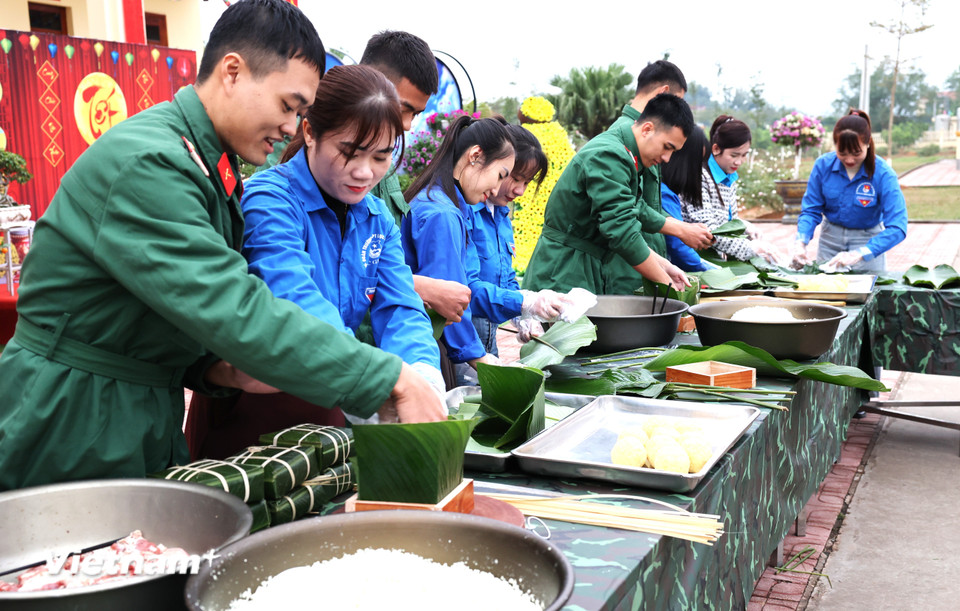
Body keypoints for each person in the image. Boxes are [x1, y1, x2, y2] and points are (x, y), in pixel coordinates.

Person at [0, 0, 444, 491]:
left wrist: (219, 369)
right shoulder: (152, 162)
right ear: (233, 72)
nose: (292, 128)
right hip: (72, 417)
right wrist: (388, 379)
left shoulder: (207, 166)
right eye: (289, 106)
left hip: (134, 412)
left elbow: (148, 314)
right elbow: (232, 305)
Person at [187, 65, 446, 459]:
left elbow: (401, 309)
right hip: (255, 411)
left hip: (335, 404)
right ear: (309, 132)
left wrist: (423, 374)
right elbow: (295, 298)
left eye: (380, 157)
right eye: (349, 152)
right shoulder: (270, 200)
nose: (364, 172)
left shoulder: (376, 218)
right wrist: (380, 379)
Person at [523, 93, 698, 294]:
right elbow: (622, 231)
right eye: (667, 147)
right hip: (562, 271)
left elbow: (634, 210)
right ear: (647, 129)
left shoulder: (627, 154)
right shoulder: (609, 155)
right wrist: (666, 284)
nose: (667, 158)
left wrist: (664, 266)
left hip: (582, 268)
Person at [359, 30, 472, 328]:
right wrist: (420, 286)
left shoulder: (387, 166)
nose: (407, 125)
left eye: (416, 114)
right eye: (404, 108)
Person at [403, 117, 533, 371]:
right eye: (500, 176)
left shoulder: (442, 202)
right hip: (423, 347)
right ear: (475, 155)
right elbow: (448, 301)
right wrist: (479, 357)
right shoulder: (443, 214)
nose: (496, 190)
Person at [453, 124, 556, 384]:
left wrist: (524, 316)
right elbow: (467, 290)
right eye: (513, 177)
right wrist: (524, 302)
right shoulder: (463, 212)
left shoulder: (501, 215)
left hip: (488, 343)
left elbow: (506, 277)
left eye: (526, 182)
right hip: (463, 343)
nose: (519, 190)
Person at [601, 60, 714, 294]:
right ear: (662, 94)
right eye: (676, 102)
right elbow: (622, 225)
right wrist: (666, 278)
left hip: (642, 259)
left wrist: (678, 233)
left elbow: (639, 206)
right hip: (624, 264)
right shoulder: (618, 144)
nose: (666, 158)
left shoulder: (641, 139)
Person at [791, 109, 907, 272]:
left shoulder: (883, 174)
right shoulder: (823, 166)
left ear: (868, 143)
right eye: (842, 153)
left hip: (867, 244)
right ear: (835, 145)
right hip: (830, 241)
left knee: (868, 293)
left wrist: (860, 253)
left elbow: (898, 226)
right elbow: (811, 210)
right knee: (826, 292)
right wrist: (800, 243)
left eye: (856, 153)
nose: (849, 159)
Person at [681, 115, 782, 264]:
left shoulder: (729, 176)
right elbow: (709, 230)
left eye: (744, 155)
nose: (739, 161)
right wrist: (751, 248)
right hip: (696, 259)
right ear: (716, 149)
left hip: (716, 258)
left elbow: (727, 220)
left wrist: (744, 226)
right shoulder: (698, 177)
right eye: (734, 155)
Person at [659, 126, 720, 272]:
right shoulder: (664, 195)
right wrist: (718, 273)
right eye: (697, 164)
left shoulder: (665, 191)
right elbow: (679, 249)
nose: (700, 172)